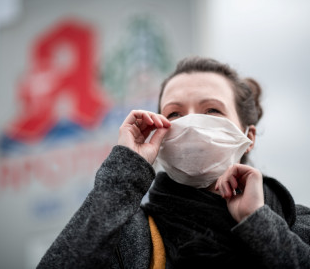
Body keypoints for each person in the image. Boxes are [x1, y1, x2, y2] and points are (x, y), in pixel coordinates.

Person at [37, 56, 310, 268]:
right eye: (175, 113)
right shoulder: (132, 237)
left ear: (248, 136)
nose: (190, 124)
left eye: (212, 110)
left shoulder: (300, 226)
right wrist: (125, 170)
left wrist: (258, 222)